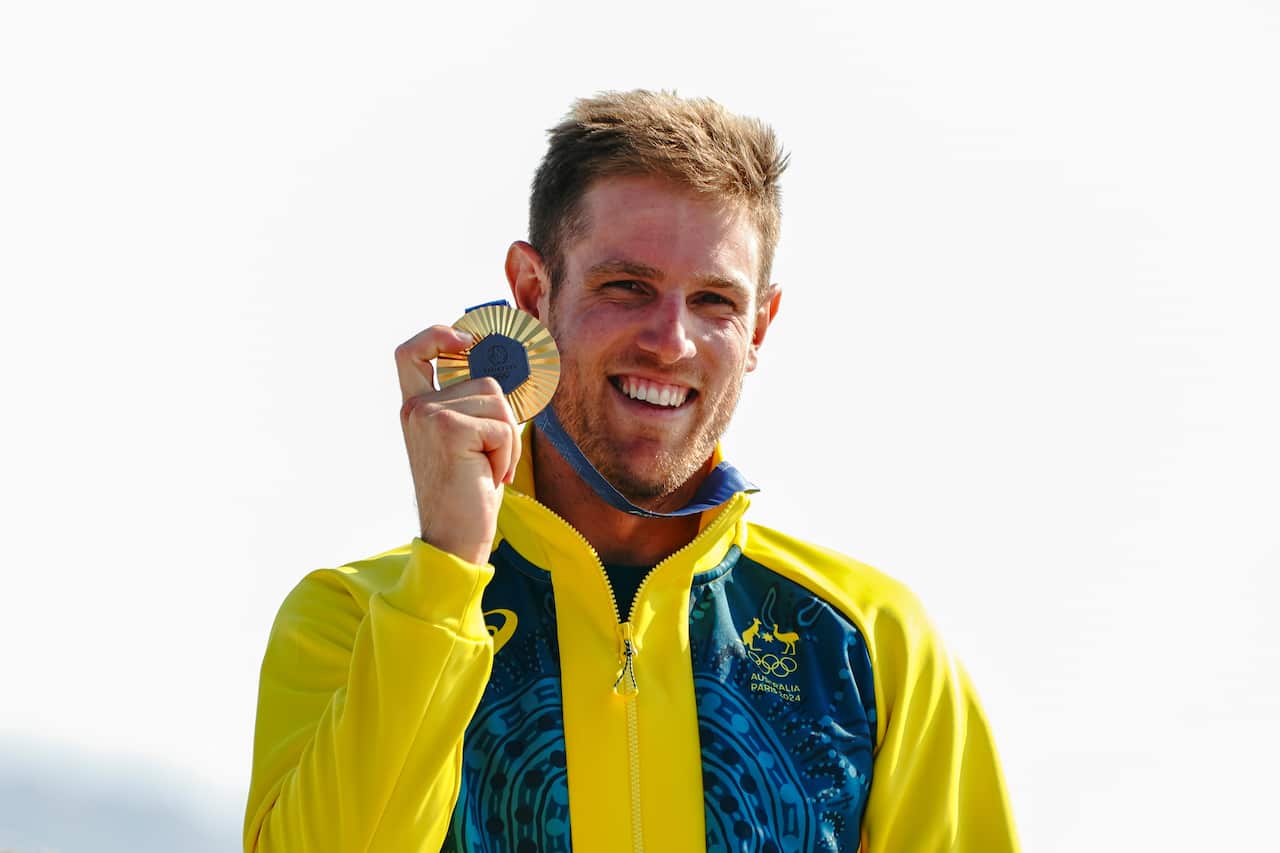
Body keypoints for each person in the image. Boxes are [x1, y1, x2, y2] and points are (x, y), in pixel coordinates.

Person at [244, 90, 1018, 852]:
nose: (670, 341)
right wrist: (445, 575)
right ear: (530, 292)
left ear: (759, 328)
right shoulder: (350, 623)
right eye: (627, 287)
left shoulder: (876, 646)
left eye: (714, 300)